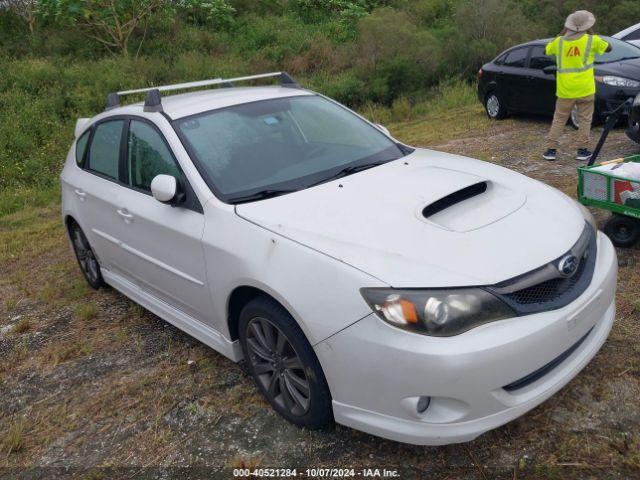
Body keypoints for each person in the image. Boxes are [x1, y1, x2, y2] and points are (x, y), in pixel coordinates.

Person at [542, 10, 611, 162]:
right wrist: (591, 32)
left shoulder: (559, 42)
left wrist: (562, 33)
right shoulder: (591, 40)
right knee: (585, 120)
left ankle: (551, 151)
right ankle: (582, 151)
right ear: (587, 25)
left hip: (565, 90)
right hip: (585, 88)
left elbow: (545, 50)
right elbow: (609, 48)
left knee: (559, 120)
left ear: (569, 25)